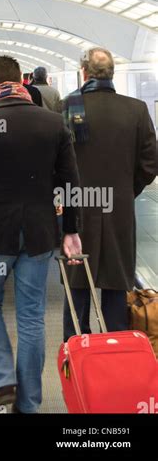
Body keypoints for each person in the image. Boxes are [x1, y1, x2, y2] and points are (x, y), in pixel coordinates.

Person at [0, 55, 81, 413]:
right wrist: (70, 230)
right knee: (32, 318)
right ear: (21, 81)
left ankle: (2, 379)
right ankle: (29, 405)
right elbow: (71, 183)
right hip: (39, 234)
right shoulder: (54, 124)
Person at [62, 47, 156, 340]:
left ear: (85, 73)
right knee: (116, 283)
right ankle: (116, 347)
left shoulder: (68, 107)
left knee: (77, 282)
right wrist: (127, 190)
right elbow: (150, 162)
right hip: (119, 209)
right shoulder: (136, 109)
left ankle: (77, 348)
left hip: (78, 208)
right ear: (112, 73)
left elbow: (57, 162)